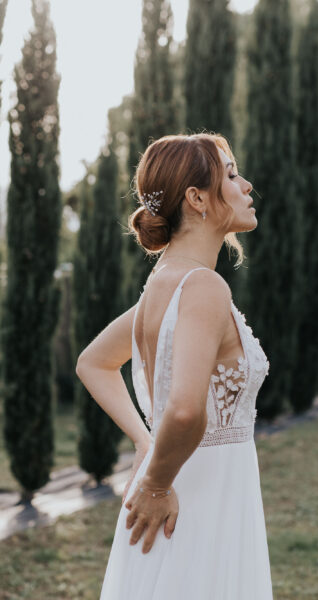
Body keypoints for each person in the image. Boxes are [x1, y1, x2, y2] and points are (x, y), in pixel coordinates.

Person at [75, 133, 273, 598]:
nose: (247, 185)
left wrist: (146, 444)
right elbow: (185, 410)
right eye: (231, 174)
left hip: (184, 493)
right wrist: (158, 484)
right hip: (198, 502)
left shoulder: (160, 286)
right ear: (197, 198)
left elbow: (93, 362)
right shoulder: (203, 287)